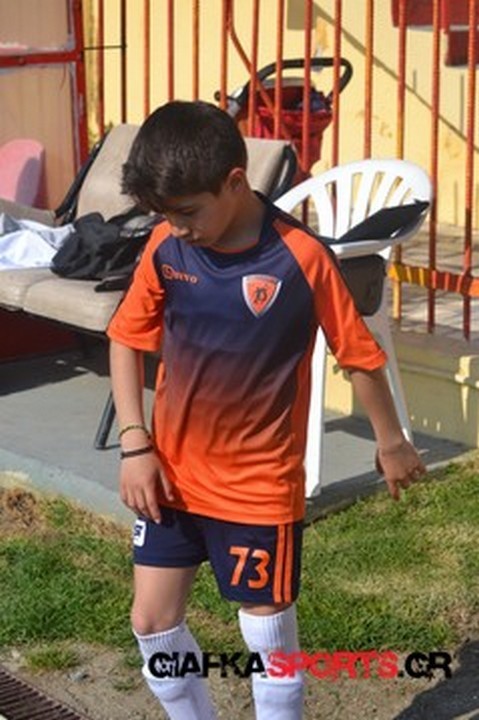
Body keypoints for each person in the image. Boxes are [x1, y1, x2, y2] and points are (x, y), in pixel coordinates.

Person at [107, 100, 426, 720]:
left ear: (234, 182)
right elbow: (126, 339)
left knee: (267, 640)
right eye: (164, 215)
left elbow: (358, 355)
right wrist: (135, 443)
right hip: (167, 477)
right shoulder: (166, 248)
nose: (177, 227)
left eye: (187, 213)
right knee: (151, 622)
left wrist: (391, 442)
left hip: (257, 488)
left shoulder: (301, 257)